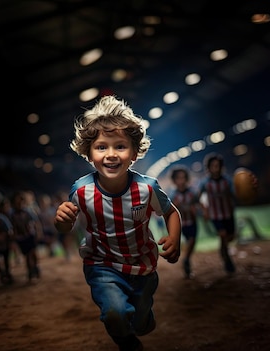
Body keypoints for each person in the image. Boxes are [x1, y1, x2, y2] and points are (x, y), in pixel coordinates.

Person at [54, 95, 182, 351]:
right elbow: (65, 226)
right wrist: (61, 220)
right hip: (102, 266)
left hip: (143, 268)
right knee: (115, 314)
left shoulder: (147, 187)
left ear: (134, 153)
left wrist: (174, 238)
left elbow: (171, 212)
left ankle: (141, 322)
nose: (111, 154)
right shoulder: (80, 190)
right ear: (89, 153)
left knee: (142, 322)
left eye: (120, 146)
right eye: (102, 147)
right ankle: (126, 343)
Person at [197, 153, 256, 275]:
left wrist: (249, 189)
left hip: (228, 214)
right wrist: (205, 210)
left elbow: (236, 193)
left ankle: (223, 250)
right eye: (213, 166)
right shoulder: (204, 183)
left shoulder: (228, 180)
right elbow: (198, 197)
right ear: (208, 168)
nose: (216, 168)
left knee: (230, 237)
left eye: (218, 166)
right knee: (223, 235)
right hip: (215, 215)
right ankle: (227, 260)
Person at [168, 166, 200, 279]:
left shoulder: (192, 193)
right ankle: (184, 260)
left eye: (183, 178)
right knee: (181, 243)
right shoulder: (173, 195)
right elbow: (168, 210)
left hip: (192, 222)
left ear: (186, 179)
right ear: (174, 180)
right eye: (178, 178)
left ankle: (186, 259)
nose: (181, 181)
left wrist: (198, 210)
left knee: (192, 241)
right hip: (180, 224)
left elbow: (198, 204)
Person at [10, 190, 41, 281]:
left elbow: (36, 222)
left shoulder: (28, 212)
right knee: (27, 255)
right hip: (21, 237)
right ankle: (30, 271)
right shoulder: (13, 214)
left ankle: (35, 267)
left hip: (30, 235)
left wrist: (38, 232)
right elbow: (13, 226)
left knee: (33, 253)